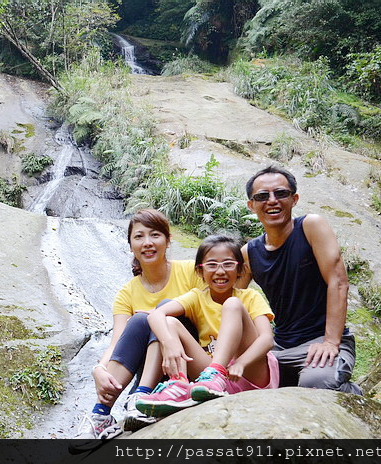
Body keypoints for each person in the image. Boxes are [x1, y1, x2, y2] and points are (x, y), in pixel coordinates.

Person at [74, 209, 204, 440]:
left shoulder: (191, 272)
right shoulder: (127, 292)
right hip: (151, 372)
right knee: (141, 320)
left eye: (155, 235)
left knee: (163, 310)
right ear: (130, 245)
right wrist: (99, 369)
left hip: (188, 363)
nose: (147, 243)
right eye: (139, 237)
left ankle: (141, 395)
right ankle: (101, 414)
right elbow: (119, 341)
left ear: (167, 240)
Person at [240, 165, 362, 394]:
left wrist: (330, 342)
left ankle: (352, 396)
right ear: (252, 205)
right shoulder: (249, 252)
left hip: (321, 340)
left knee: (314, 384)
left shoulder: (311, 226)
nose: (272, 200)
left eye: (281, 193)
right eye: (262, 196)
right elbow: (231, 300)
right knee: (239, 382)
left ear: (294, 199)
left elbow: (338, 282)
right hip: (279, 345)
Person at [134, 235, 278, 417]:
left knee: (232, 304)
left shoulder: (249, 296)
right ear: (200, 271)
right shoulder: (197, 297)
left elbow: (267, 339)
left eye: (228, 264)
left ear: (240, 269)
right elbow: (156, 315)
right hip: (210, 382)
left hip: (249, 371)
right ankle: (179, 383)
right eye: (211, 265)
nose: (220, 271)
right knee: (170, 322)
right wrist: (169, 344)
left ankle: (216, 372)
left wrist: (241, 362)